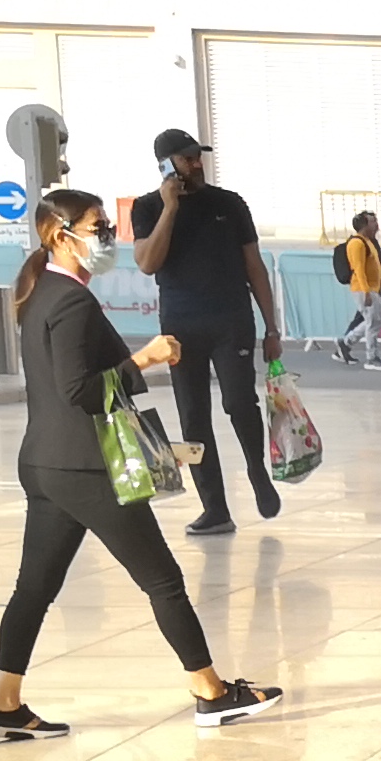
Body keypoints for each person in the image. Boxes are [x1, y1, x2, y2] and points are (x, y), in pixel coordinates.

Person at [0, 188, 280, 742]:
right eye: (97, 229)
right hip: (86, 468)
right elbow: (80, 392)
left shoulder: (41, 290)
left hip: (47, 462)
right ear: (58, 235)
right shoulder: (68, 301)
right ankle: (211, 693)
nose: (107, 240)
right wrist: (145, 358)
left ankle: (4, 704)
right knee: (163, 581)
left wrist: (132, 361)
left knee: (34, 588)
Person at [126, 128, 287, 537]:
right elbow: (148, 262)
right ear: (166, 164)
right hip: (180, 327)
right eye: (187, 159)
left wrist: (271, 328)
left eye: (199, 157)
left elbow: (255, 267)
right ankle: (214, 507)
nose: (197, 164)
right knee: (192, 416)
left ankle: (256, 471)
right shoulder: (147, 208)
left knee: (239, 402)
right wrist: (170, 209)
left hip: (230, 319)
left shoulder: (229, 204)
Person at [333, 207, 381, 368]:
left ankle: (346, 343)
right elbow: (359, 268)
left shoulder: (368, 242)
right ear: (364, 225)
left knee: (373, 321)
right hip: (364, 288)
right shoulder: (357, 243)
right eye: (373, 222)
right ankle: (371, 357)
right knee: (373, 324)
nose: (376, 225)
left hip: (373, 288)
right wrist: (366, 291)